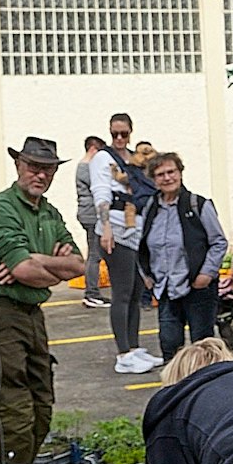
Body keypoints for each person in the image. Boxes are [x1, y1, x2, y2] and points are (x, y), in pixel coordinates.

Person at [0, 137, 84, 464]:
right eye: (33, 165)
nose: (40, 173)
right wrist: (42, 266)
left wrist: (38, 261)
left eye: (48, 168)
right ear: (18, 165)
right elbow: (24, 272)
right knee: (13, 415)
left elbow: (80, 266)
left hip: (32, 314)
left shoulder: (48, 212)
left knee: (41, 408)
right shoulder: (0, 209)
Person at [138, 152, 228, 362]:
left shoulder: (198, 204)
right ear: (153, 179)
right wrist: (147, 276)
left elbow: (218, 242)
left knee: (204, 346)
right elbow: (141, 245)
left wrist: (206, 274)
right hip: (165, 289)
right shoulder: (150, 207)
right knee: (170, 346)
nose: (167, 178)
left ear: (180, 173)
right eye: (160, 174)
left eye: (171, 172)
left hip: (197, 288)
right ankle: (177, 389)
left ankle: (207, 387)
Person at [92, 117, 159, 374]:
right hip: (116, 228)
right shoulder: (102, 158)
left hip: (136, 228)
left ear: (131, 133)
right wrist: (106, 226)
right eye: (115, 133)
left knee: (136, 290)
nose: (119, 138)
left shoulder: (133, 158)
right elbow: (101, 191)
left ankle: (133, 346)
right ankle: (123, 354)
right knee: (121, 291)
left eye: (124, 134)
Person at [76, 134, 109, 308]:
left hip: (88, 213)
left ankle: (93, 292)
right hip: (91, 215)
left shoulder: (84, 166)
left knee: (96, 254)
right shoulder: (87, 167)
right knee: (95, 255)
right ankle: (92, 293)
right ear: (92, 149)